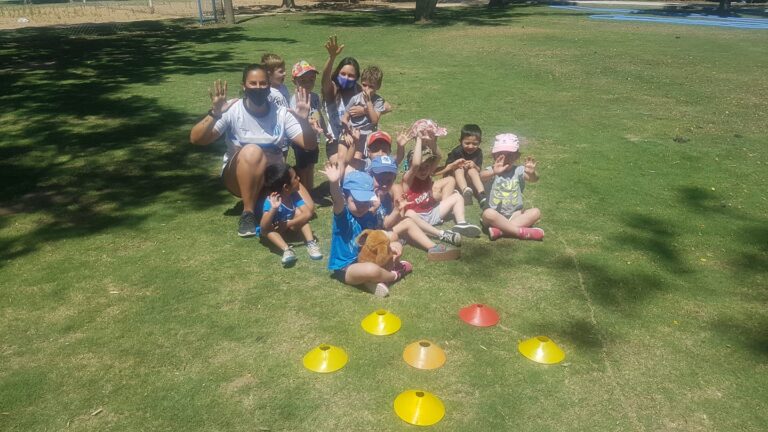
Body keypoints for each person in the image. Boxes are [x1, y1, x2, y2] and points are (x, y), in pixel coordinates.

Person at [189, 64, 317, 238]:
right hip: (237, 176)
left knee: (309, 209)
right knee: (252, 151)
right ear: (244, 86)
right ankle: (248, 213)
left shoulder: (281, 113)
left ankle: (268, 210)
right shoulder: (232, 109)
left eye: (263, 83)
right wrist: (214, 114)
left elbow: (309, 144)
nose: (258, 88)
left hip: (273, 177)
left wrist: (303, 120)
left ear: (269, 86)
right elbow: (197, 139)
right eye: (253, 83)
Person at [321, 164, 411, 297]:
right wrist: (334, 183)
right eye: (357, 202)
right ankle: (393, 275)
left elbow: (377, 238)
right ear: (346, 197)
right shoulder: (342, 216)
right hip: (347, 268)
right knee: (371, 270)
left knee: (395, 242)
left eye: (365, 201)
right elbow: (337, 200)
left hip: (365, 258)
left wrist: (393, 247)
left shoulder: (369, 214)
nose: (362, 206)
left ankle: (371, 281)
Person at [370, 155, 460, 261]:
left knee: (407, 221)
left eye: (388, 181)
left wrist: (396, 210)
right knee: (406, 224)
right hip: (370, 238)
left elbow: (386, 223)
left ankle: (433, 247)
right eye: (380, 180)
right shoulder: (366, 196)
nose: (384, 185)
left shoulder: (384, 196)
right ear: (370, 175)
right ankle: (433, 243)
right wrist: (372, 209)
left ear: (394, 180)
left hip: (383, 232)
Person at [401, 132, 482, 239]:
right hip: (417, 218)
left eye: (426, 166)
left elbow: (438, 156)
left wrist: (433, 141)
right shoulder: (408, 180)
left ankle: (461, 223)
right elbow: (415, 164)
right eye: (420, 167)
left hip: (431, 212)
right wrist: (419, 140)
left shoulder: (427, 174)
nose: (424, 170)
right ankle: (441, 234)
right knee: (409, 213)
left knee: (457, 197)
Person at [480, 133, 544, 241]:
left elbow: (534, 179)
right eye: (501, 155)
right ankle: (519, 232)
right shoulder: (491, 170)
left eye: (510, 155)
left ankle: (501, 231)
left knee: (536, 212)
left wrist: (532, 173)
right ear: (494, 156)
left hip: (515, 214)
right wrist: (494, 172)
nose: (506, 158)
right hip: (494, 214)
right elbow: (481, 176)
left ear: (517, 156)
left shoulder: (518, 170)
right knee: (487, 213)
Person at [258, 164, 323, 266]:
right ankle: (286, 249)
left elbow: (308, 213)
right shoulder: (271, 201)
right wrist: (273, 209)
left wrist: (288, 224)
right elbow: (263, 227)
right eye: (295, 178)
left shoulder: (294, 195)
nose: (299, 178)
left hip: (289, 229)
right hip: (276, 233)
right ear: (286, 187)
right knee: (268, 229)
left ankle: (311, 243)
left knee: (300, 213)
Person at [290, 60, 330, 195]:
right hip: (301, 139)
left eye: (311, 79)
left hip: (315, 138)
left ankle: (310, 191)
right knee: (303, 167)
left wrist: (325, 130)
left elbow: (318, 114)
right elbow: (295, 120)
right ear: (294, 80)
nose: (308, 83)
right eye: (303, 80)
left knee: (311, 165)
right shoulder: (295, 99)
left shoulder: (315, 97)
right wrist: (311, 126)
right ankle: (304, 193)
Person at [321, 36, 362, 165]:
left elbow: (380, 107)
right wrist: (332, 57)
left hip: (355, 138)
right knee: (340, 168)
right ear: (337, 73)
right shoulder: (332, 89)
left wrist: (364, 109)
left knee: (354, 172)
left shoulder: (358, 90)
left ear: (356, 78)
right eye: (343, 74)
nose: (346, 77)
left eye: (351, 76)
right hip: (335, 140)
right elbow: (324, 79)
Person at [434, 124, 487, 207]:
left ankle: (481, 194)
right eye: (467, 143)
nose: (471, 146)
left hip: (469, 179)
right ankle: (465, 191)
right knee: (459, 169)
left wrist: (474, 166)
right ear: (460, 141)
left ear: (480, 143)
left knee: (473, 170)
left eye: (475, 144)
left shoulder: (479, 152)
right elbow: (447, 168)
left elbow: (479, 169)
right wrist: (456, 165)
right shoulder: (456, 151)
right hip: (456, 180)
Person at [341, 65, 387, 156]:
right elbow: (344, 118)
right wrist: (347, 132)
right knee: (343, 157)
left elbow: (375, 120)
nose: (367, 89)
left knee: (358, 157)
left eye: (371, 86)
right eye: (364, 85)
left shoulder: (378, 101)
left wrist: (369, 102)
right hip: (351, 133)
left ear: (378, 86)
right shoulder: (355, 99)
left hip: (366, 136)